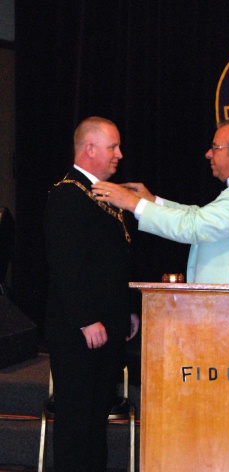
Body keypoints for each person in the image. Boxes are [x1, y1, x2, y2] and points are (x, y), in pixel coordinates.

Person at [44, 116, 139, 472]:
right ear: (90, 149)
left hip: (107, 326)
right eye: (113, 146)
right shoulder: (67, 194)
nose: (119, 154)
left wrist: (125, 309)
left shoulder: (103, 194)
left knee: (95, 419)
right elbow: (66, 265)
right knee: (76, 420)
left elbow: (111, 265)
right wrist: (86, 319)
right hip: (79, 331)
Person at [92, 119, 229, 284]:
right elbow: (199, 216)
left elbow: (195, 227)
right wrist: (152, 201)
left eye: (216, 147)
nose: (209, 153)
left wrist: (132, 203)